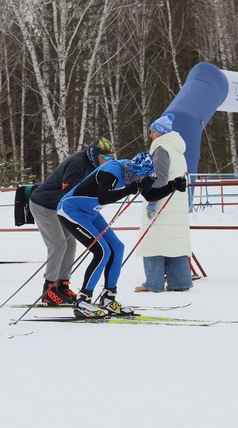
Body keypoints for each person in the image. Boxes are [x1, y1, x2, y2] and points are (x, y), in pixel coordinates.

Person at [57, 152, 185, 318]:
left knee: (117, 248)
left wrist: (171, 186)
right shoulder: (112, 170)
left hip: (90, 212)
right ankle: (83, 300)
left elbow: (149, 194)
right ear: (133, 170)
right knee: (102, 251)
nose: (139, 180)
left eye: (142, 178)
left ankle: (108, 298)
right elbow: (104, 197)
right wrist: (133, 188)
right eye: (138, 177)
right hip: (71, 210)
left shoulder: (136, 173)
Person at [29, 138, 115, 306]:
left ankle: (63, 284)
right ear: (95, 155)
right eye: (106, 158)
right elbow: (70, 190)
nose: (108, 161)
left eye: (112, 157)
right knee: (58, 244)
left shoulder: (95, 164)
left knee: (71, 243)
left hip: (62, 207)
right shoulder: (78, 163)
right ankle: (49, 289)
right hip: (45, 205)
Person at [135, 113, 193, 292]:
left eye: (152, 132)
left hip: (162, 201)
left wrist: (152, 201)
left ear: (160, 132)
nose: (150, 135)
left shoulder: (161, 148)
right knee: (175, 241)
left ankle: (153, 283)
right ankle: (180, 281)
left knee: (154, 240)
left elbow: (158, 177)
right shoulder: (177, 149)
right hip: (176, 202)